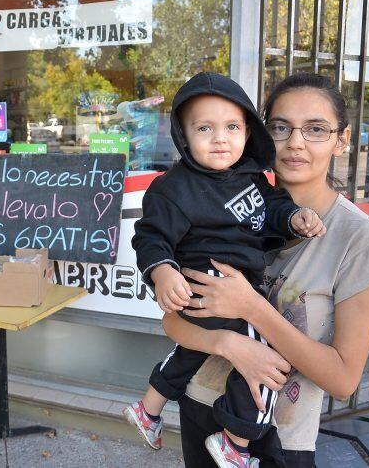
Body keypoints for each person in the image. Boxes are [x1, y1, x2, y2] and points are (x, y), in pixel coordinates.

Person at [161, 72, 369, 467]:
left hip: (281, 437)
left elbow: (343, 380)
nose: (295, 142)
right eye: (280, 127)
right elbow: (173, 323)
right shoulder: (223, 211)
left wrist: (253, 309)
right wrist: (229, 344)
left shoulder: (360, 240)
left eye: (316, 129)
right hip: (201, 410)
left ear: (341, 140)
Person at [123, 72, 325, 467]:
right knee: (268, 360)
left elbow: (274, 209)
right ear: (182, 134)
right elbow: (150, 237)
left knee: (190, 350)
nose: (220, 138)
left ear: (247, 131)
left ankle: (148, 410)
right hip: (206, 284)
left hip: (230, 291)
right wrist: (162, 270)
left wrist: (296, 217)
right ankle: (236, 440)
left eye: (232, 127)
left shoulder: (251, 177)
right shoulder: (172, 188)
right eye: (204, 128)